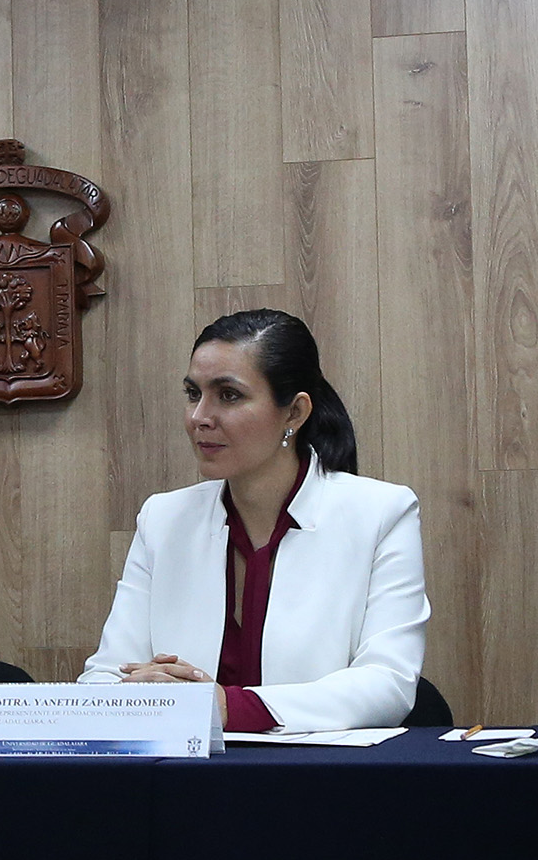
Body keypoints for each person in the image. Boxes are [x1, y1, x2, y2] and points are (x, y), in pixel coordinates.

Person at [81, 309, 427, 732]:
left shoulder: (381, 513)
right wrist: (142, 693)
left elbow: (388, 684)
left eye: (228, 395)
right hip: (184, 768)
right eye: (193, 393)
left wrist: (227, 707)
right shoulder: (163, 519)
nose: (199, 417)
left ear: (294, 413)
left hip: (318, 768)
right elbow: (104, 678)